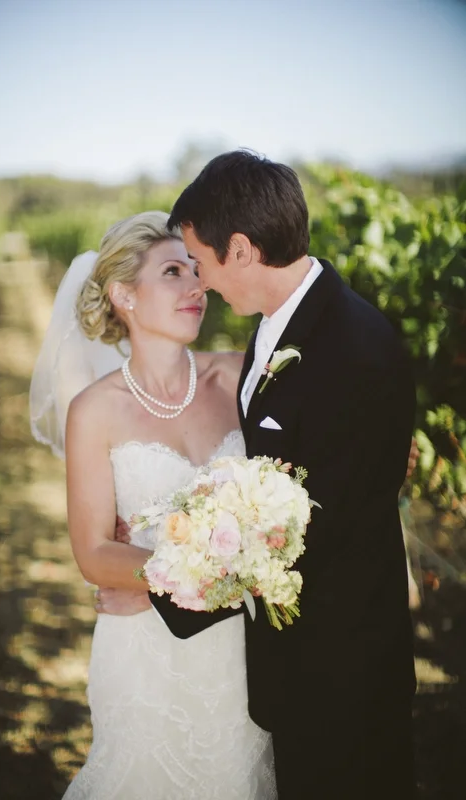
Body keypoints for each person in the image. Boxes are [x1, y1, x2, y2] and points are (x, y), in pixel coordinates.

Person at [98, 152, 418, 799]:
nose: (202, 283)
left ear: (240, 249)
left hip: (339, 674)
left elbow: (310, 534)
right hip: (293, 668)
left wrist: (160, 587)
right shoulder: (280, 327)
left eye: (202, 262)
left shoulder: (351, 348)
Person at [30, 210, 277, 799]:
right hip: (145, 652)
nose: (197, 286)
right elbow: (93, 554)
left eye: (196, 270)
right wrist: (188, 572)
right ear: (124, 295)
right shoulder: (95, 411)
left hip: (245, 650)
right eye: (172, 271)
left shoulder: (241, 377)